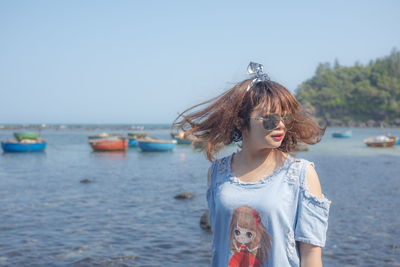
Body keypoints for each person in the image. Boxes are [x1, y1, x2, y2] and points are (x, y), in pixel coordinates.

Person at [173, 62, 331, 266]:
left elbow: (311, 255)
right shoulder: (218, 172)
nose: (280, 125)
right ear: (240, 121)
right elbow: (219, 242)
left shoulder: (301, 174)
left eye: (285, 118)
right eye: (270, 119)